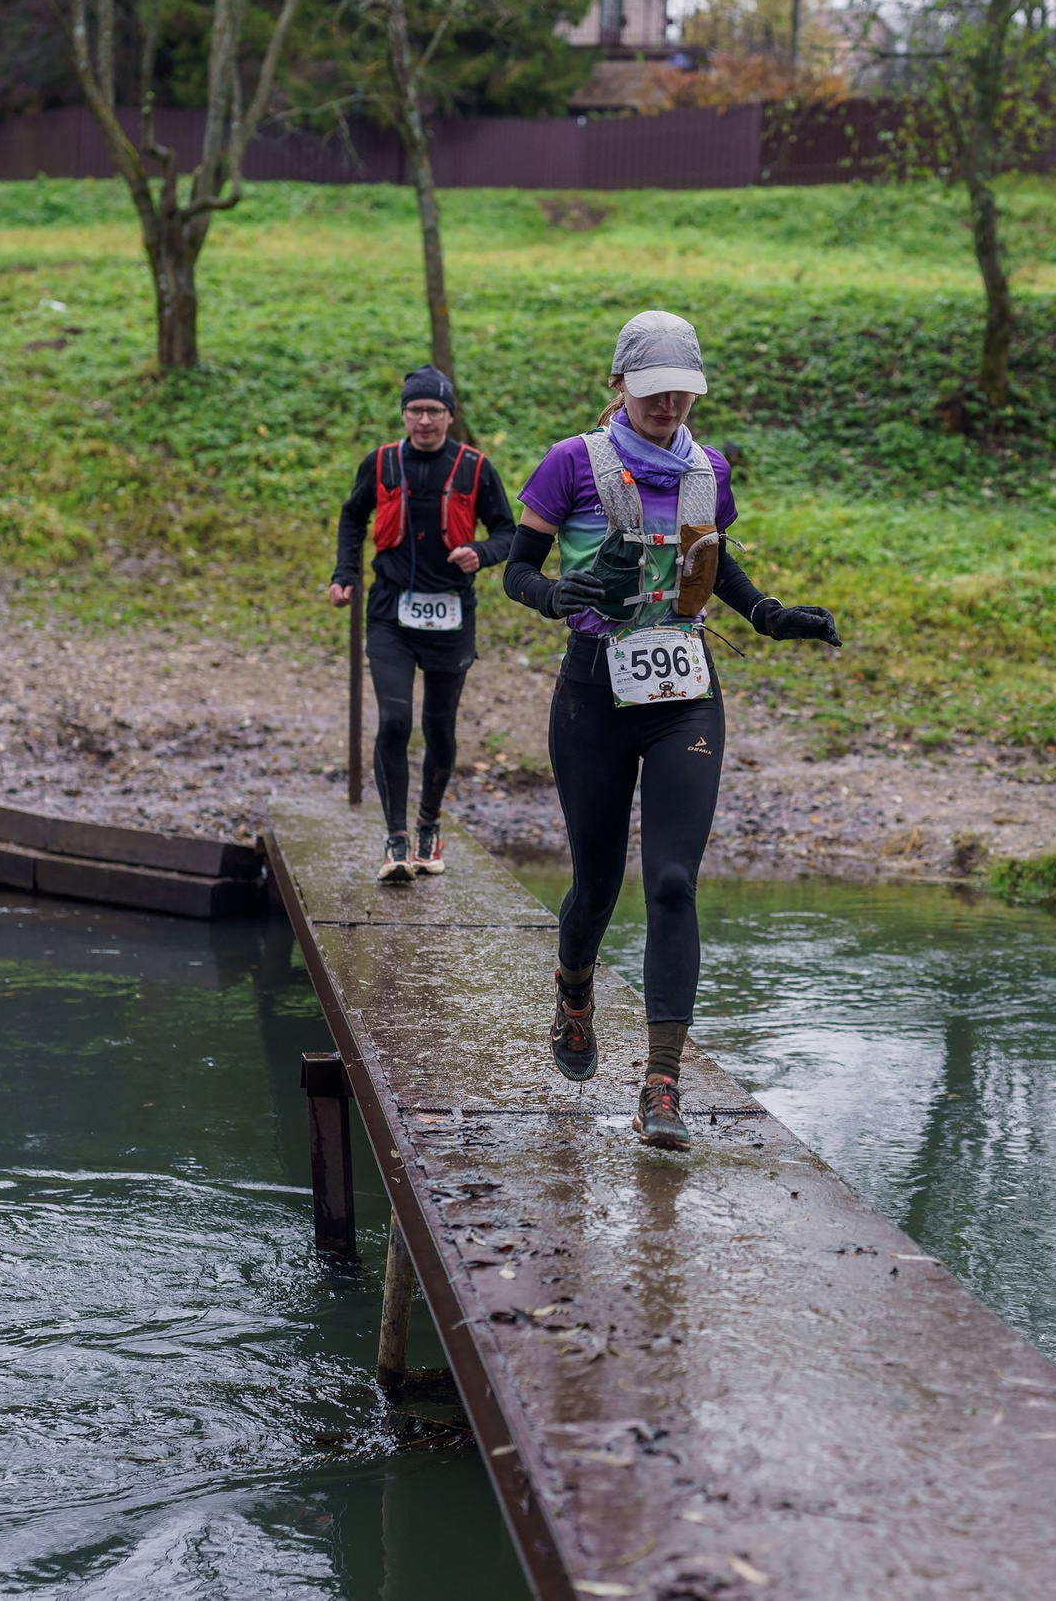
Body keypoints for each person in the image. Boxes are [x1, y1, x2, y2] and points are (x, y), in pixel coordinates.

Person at [503, 310, 841, 1151]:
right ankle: (573, 987)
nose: (671, 405)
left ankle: (662, 1084)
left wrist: (765, 613)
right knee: (595, 887)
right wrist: (554, 597)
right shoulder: (571, 464)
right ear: (620, 385)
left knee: (674, 883)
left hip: (686, 690)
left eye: (684, 391)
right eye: (655, 392)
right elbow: (518, 566)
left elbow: (709, 557)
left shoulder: (709, 469)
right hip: (594, 694)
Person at [330, 367, 516, 881]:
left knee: (439, 727)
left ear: (450, 416)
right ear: (405, 414)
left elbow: (508, 532)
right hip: (391, 612)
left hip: (451, 616)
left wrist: (480, 552)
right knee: (394, 721)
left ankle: (428, 828)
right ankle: (394, 841)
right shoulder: (383, 462)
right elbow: (353, 517)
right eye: (416, 410)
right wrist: (346, 572)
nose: (425, 420)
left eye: (435, 411)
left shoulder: (475, 467)